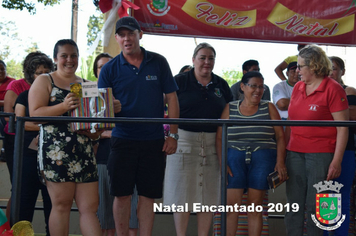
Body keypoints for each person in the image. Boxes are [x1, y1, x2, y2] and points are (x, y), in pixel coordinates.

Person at [98, 16, 179, 236]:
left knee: (148, 196)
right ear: (116, 38)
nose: (127, 39)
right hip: (123, 139)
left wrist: (173, 135)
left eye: (131, 34)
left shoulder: (159, 61)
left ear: (140, 35)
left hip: (154, 140)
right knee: (122, 195)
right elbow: (100, 110)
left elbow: (172, 98)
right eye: (122, 35)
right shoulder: (109, 70)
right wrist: (110, 108)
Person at [29, 39, 107, 236]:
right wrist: (63, 107)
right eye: (64, 55)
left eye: (73, 55)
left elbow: (95, 129)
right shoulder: (45, 80)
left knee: (89, 208)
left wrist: (96, 126)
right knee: (61, 205)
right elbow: (34, 114)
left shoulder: (88, 85)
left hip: (84, 152)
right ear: (56, 58)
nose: (69, 60)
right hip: (56, 153)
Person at [163, 42, 232, 236]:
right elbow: (162, 105)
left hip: (213, 144)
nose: (206, 62)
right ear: (193, 59)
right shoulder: (179, 81)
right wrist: (169, 136)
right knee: (181, 195)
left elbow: (230, 113)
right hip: (182, 141)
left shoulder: (221, 84)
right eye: (202, 57)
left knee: (208, 196)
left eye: (211, 58)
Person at [284, 45, 349, 236]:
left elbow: (343, 129)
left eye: (300, 66)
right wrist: (283, 155)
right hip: (294, 152)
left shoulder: (333, 89)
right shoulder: (297, 87)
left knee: (317, 206)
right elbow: (290, 122)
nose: (297, 70)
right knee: (293, 206)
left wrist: (336, 161)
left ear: (313, 66)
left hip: (321, 154)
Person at [216, 71, 286, 236]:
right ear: (242, 87)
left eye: (261, 87)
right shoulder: (230, 107)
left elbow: (280, 136)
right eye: (253, 86)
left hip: (263, 156)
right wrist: (222, 162)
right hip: (234, 157)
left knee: (255, 207)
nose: (258, 90)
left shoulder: (269, 107)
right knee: (231, 207)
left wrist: (280, 161)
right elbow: (219, 138)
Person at [3, 51, 52, 221]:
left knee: (51, 203)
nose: (43, 75)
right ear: (31, 75)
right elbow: (19, 123)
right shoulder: (23, 96)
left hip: (52, 155)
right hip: (27, 154)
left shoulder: (56, 98)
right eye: (39, 72)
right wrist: (48, 125)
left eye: (47, 72)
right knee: (24, 200)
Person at [93, 52, 138, 236]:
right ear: (96, 72)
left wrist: (108, 132)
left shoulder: (129, 91)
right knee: (105, 217)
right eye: (101, 67)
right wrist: (103, 133)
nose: (105, 70)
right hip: (101, 160)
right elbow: (87, 128)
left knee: (132, 215)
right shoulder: (89, 95)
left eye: (109, 66)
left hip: (130, 156)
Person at [323, 56, 356, 236]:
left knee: (341, 196)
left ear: (343, 71)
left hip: (346, 150)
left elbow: (351, 115)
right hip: (321, 149)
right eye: (327, 68)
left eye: (334, 68)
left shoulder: (348, 90)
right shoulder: (317, 90)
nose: (330, 72)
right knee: (324, 197)